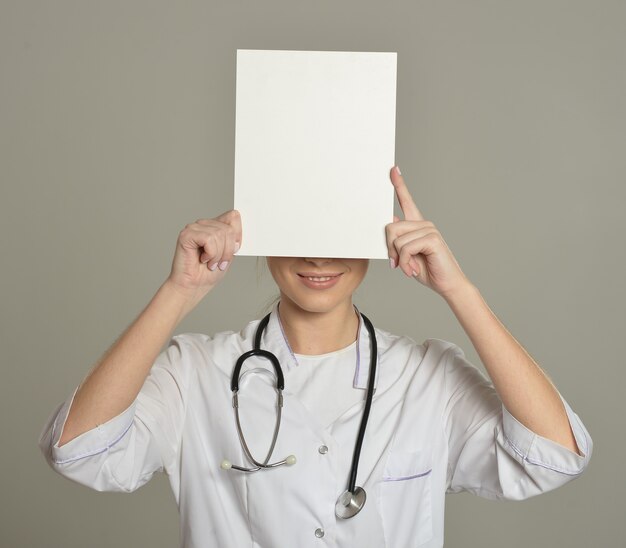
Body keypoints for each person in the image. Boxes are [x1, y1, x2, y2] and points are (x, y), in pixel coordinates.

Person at [39, 166, 592, 547]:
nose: (318, 255)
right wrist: (178, 291)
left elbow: (553, 455)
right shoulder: (197, 374)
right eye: (299, 229)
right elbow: (80, 452)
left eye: (338, 230)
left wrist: (460, 292)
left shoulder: (428, 379)